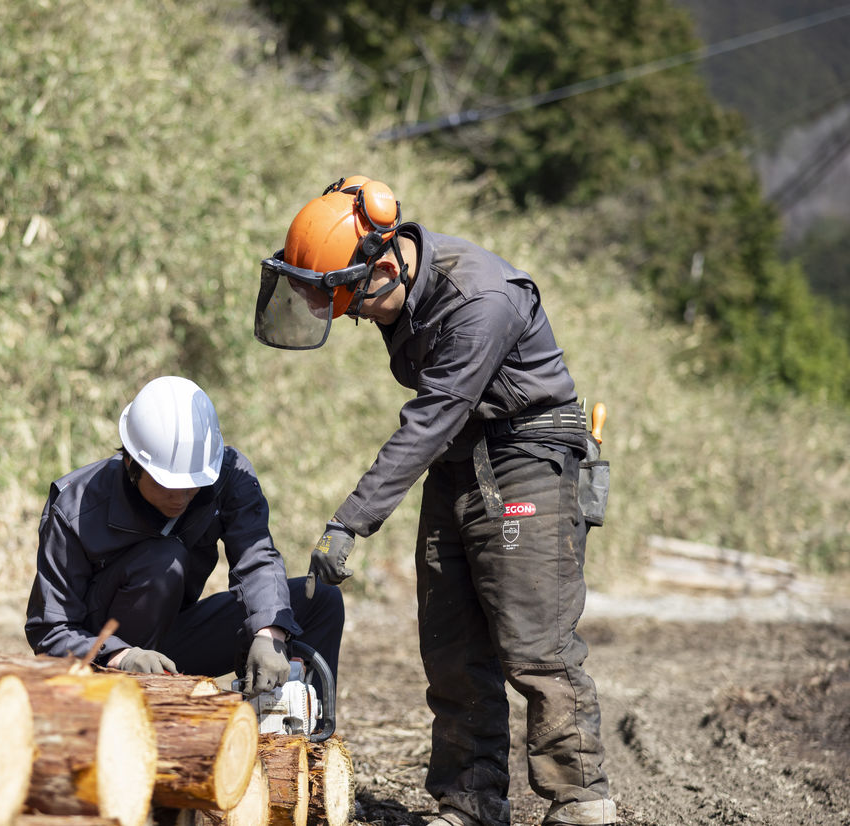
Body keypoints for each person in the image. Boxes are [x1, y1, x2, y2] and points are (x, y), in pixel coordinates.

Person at [253, 176, 616, 826]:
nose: (355, 316)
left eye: (351, 303)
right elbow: (441, 427)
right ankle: (471, 803)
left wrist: (349, 523)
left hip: (527, 454)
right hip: (458, 456)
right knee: (450, 643)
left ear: (385, 266)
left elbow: (429, 420)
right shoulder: (399, 285)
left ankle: (581, 797)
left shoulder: (482, 298)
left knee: (533, 641)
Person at [25, 375, 344, 698]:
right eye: (165, 485)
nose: (179, 498)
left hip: (172, 644)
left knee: (320, 601)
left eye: (191, 485)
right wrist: (121, 656)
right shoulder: (75, 506)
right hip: (104, 662)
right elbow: (50, 630)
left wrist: (270, 632)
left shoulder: (228, 476)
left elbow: (257, 559)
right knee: (164, 561)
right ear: (131, 463)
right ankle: (137, 708)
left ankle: (300, 734)